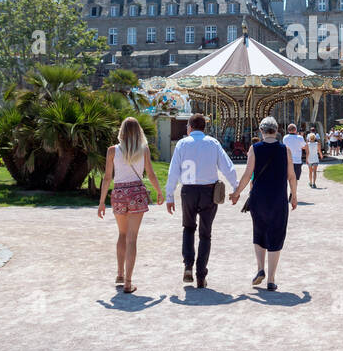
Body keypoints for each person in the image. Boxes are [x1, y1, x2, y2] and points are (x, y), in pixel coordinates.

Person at [164, 113, 239, 288]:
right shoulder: (213, 143)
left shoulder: (182, 144)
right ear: (204, 127)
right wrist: (235, 188)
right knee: (205, 234)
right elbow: (227, 166)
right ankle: (200, 274)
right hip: (208, 191)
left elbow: (173, 171)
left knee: (188, 228)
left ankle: (188, 265)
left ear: (190, 127)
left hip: (188, 191)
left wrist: (170, 195)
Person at [229, 116, 298, 292]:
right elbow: (291, 175)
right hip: (278, 198)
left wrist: (237, 193)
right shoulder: (285, 150)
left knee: (259, 231)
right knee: (276, 233)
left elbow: (247, 175)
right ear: (276, 131)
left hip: (259, 197)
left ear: (261, 131)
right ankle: (271, 280)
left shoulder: (255, 148)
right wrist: (294, 195)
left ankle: (260, 268)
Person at [98, 116, 163, 292]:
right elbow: (150, 174)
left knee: (122, 234)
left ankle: (119, 274)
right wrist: (159, 191)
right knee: (132, 238)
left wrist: (102, 201)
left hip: (118, 194)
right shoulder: (144, 150)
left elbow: (107, 178)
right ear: (138, 131)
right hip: (136, 194)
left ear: (122, 131)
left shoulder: (112, 150)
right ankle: (128, 282)